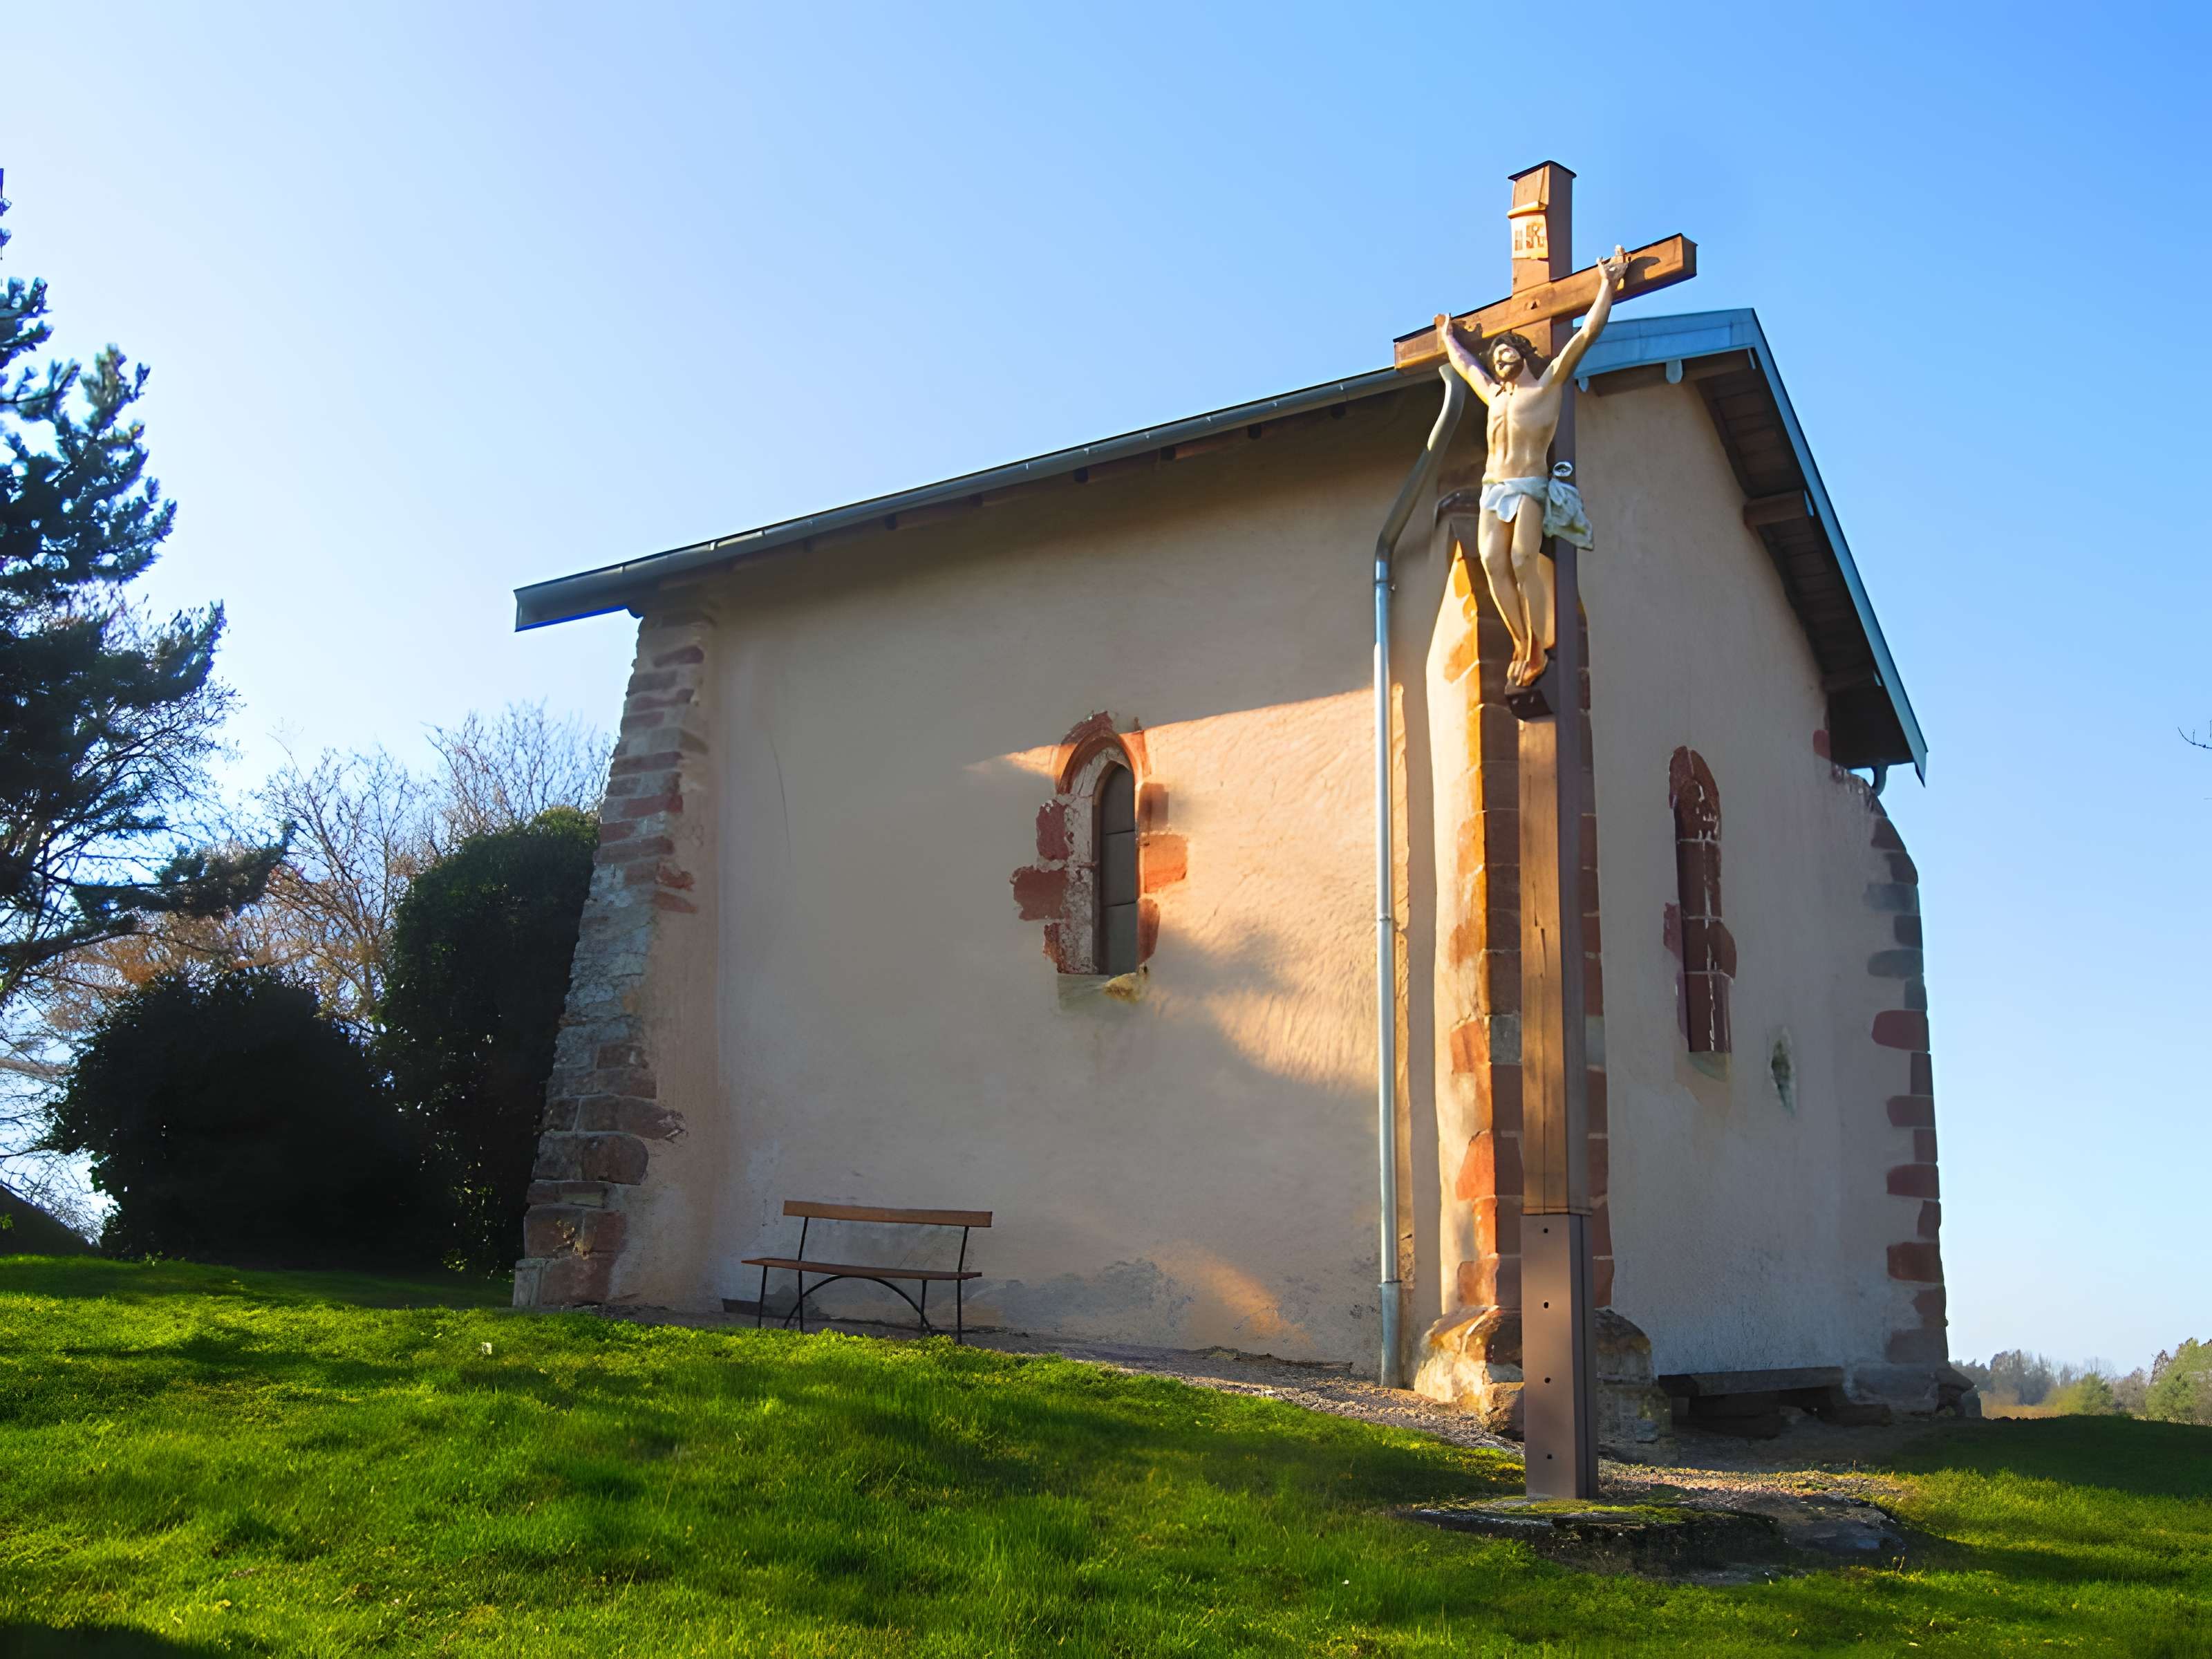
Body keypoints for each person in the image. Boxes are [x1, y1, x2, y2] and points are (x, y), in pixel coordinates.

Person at [1436, 245, 1628, 687]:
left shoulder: (1546, 389)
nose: (1500, 359)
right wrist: (1447, 338)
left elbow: (1582, 339)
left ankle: (1540, 643)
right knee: (1491, 560)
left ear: (1521, 353)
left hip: (1528, 486)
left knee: (1523, 557)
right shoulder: (1494, 396)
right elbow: (1466, 366)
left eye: (1507, 352)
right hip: (1493, 487)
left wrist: (1607, 285)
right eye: (1496, 356)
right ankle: (1523, 642)